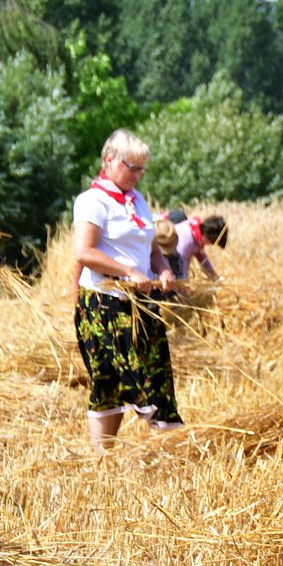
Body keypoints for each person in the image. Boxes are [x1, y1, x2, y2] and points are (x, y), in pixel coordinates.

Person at [70, 129, 181, 449]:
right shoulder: (92, 201)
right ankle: (103, 458)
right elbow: (84, 253)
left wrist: (163, 270)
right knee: (114, 377)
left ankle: (127, 454)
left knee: (150, 374)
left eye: (141, 169)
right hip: (104, 303)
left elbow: (153, 249)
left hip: (141, 303)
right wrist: (129, 272)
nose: (137, 175)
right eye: (131, 167)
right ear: (109, 161)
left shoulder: (138, 201)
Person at [154, 210, 228, 284]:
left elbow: (203, 260)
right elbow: (180, 267)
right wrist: (183, 285)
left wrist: (216, 279)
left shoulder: (196, 233)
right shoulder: (186, 241)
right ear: (209, 237)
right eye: (212, 242)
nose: (210, 245)